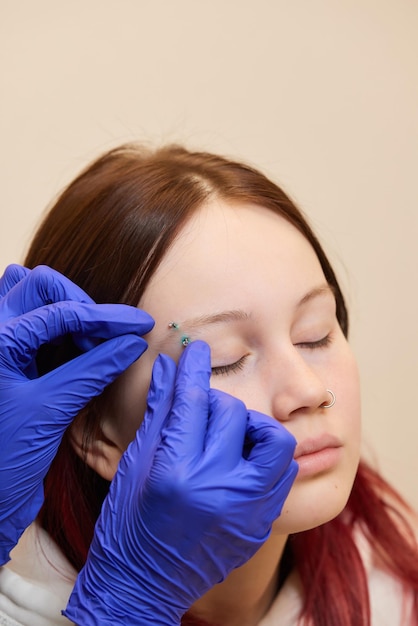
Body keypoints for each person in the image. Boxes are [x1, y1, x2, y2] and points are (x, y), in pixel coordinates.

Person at [2, 143, 418, 625]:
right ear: (97, 434)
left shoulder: (388, 583)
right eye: (223, 362)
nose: (307, 391)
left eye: (315, 334)